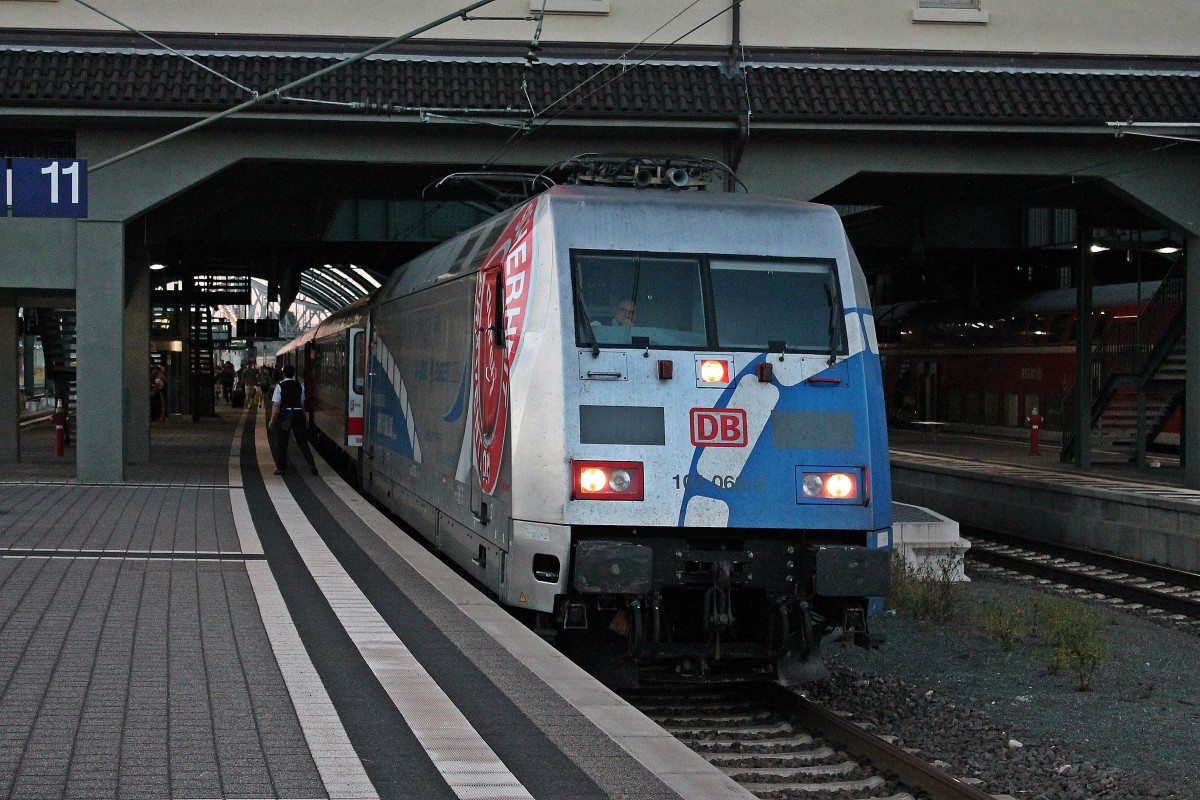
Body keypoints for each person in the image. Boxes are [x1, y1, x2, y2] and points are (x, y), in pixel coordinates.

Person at [268, 364, 317, 476]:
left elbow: (276, 404)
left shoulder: (279, 386)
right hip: (298, 414)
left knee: (282, 443)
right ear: (294, 374)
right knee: (302, 442)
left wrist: (272, 419)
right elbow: (302, 403)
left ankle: (281, 468)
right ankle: (312, 465)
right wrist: (303, 415)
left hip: (285, 414)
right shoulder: (300, 386)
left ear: (284, 373)